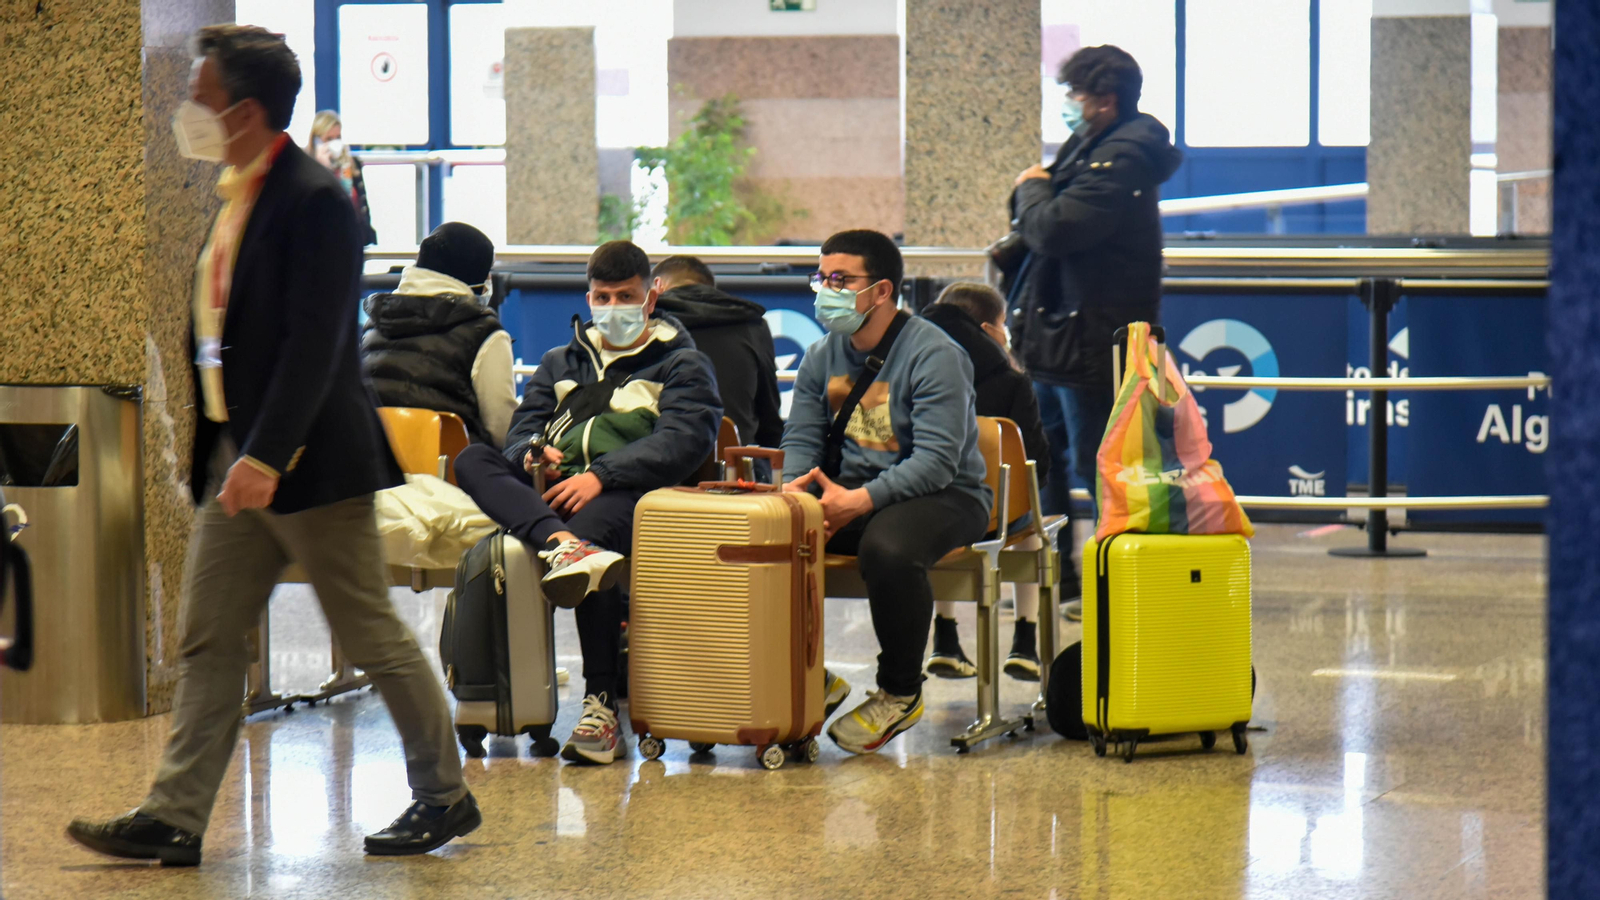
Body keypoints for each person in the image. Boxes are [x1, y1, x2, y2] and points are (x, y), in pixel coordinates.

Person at [65, 26, 478, 866]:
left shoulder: (315, 199)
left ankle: (445, 795)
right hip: (238, 460)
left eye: (201, 95)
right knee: (209, 637)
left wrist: (267, 456)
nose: (187, 109)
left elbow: (317, 343)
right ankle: (175, 815)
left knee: (367, 631)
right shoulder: (236, 194)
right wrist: (225, 452)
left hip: (305, 464)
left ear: (245, 109)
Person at [453, 240, 722, 766]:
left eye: (627, 295)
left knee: (595, 536)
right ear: (589, 296)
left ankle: (600, 702)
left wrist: (601, 475)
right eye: (603, 295)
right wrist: (533, 453)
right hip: (551, 492)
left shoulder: (683, 363)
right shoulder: (560, 361)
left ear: (652, 295)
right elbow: (521, 430)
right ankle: (561, 543)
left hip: (630, 494)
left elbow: (682, 443)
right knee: (471, 461)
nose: (614, 306)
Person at [782, 230, 992, 754]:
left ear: (880, 291)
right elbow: (802, 440)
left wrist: (859, 500)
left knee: (888, 547)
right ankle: (809, 680)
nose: (825, 289)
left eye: (840, 279)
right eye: (821, 277)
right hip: (851, 494)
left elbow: (937, 461)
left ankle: (900, 692)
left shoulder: (935, 354)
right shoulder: (820, 356)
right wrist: (797, 497)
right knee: (764, 536)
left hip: (948, 495)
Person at [1007, 45, 1182, 621]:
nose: (1067, 105)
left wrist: (1031, 187)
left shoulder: (1126, 155)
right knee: (1045, 463)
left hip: (1096, 342)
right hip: (1057, 338)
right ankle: (1064, 577)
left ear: (1104, 101)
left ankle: (1120, 576)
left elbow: (1056, 229)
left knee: (1100, 465)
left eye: (1073, 95)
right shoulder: (1094, 146)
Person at [920, 282, 1051, 681]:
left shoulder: (908, 363)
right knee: (1030, 516)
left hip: (923, 514)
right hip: (996, 517)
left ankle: (944, 638)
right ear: (987, 327)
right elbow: (1036, 466)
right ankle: (1025, 644)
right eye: (1002, 323)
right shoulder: (1010, 380)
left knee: (934, 512)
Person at [362, 221, 518, 447]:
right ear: (473, 276)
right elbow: (502, 430)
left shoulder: (373, 323)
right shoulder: (484, 332)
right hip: (449, 472)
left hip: (376, 468)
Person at [651, 255, 784, 450]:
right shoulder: (754, 326)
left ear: (657, 285)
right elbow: (770, 423)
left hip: (659, 465)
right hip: (736, 469)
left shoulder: (647, 323)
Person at [308, 109, 378, 245]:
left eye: (337, 137)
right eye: (328, 139)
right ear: (316, 141)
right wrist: (324, 169)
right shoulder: (308, 167)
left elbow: (361, 206)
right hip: (322, 241)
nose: (334, 143)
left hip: (353, 236)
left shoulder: (351, 165)